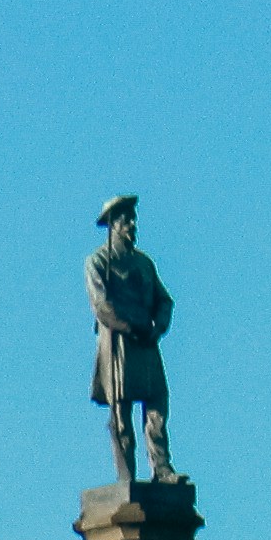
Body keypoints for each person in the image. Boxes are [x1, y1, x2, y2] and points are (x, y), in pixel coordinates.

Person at [88, 196, 173, 482]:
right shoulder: (98, 262)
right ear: (113, 224)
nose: (133, 225)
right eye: (126, 220)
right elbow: (101, 305)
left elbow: (164, 300)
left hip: (146, 342)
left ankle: (162, 467)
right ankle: (126, 475)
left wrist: (157, 327)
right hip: (118, 344)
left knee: (158, 402)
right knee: (120, 413)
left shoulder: (144, 264)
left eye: (134, 219)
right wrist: (126, 326)